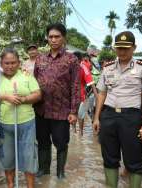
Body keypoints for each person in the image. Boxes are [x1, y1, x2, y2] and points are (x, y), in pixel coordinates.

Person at [93, 31, 142, 188]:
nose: (122, 51)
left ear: (134, 48)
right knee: (109, 158)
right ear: (115, 48)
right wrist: (96, 118)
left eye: (126, 48)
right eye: (119, 48)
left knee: (134, 160)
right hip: (108, 116)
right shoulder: (107, 68)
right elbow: (102, 93)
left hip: (131, 117)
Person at [34, 23, 81, 179]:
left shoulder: (72, 59)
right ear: (47, 38)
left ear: (63, 38)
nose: (53, 40)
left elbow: (75, 86)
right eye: (51, 37)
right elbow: (34, 83)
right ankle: (44, 169)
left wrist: (73, 111)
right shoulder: (40, 59)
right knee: (42, 141)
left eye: (57, 36)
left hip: (61, 111)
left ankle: (60, 172)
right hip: (41, 109)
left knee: (61, 143)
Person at [0, 48, 41, 188]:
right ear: (1, 63)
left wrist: (24, 99)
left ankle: (30, 186)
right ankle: (11, 185)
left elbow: (38, 94)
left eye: (13, 63)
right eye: (6, 63)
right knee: (7, 157)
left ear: (19, 63)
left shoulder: (26, 76)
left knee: (29, 156)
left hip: (26, 123)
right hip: (4, 124)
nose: (10, 66)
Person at [73, 51, 98, 136]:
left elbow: (91, 83)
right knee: (72, 114)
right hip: (71, 96)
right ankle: (74, 132)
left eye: (77, 60)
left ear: (80, 60)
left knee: (80, 115)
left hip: (82, 96)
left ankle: (80, 132)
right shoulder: (68, 67)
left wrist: (97, 97)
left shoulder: (83, 67)